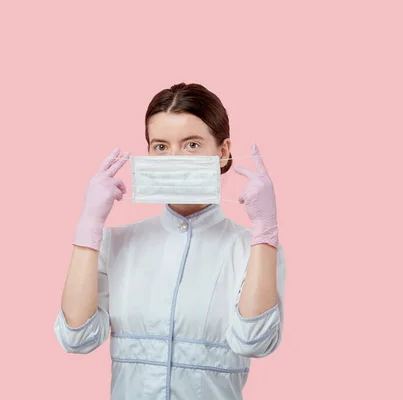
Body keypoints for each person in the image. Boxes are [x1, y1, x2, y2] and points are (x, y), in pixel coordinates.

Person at [54, 83, 286, 400]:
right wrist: (89, 224)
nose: (174, 158)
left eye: (191, 145)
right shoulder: (117, 242)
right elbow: (76, 338)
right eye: (161, 147)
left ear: (222, 151)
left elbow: (255, 342)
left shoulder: (252, 249)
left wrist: (264, 228)